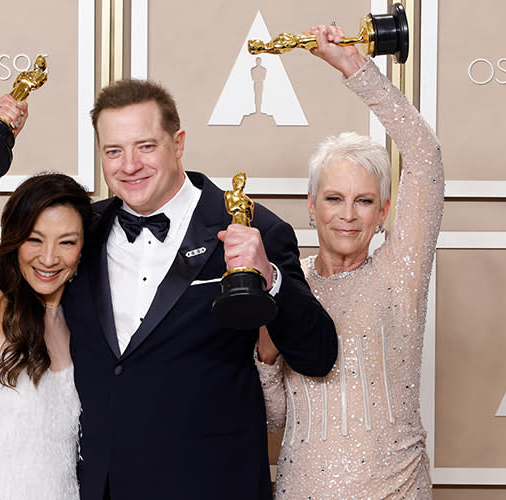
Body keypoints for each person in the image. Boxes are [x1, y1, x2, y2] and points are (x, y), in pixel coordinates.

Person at [60, 75, 339, 498]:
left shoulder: (251, 226)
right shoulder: (79, 229)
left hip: (211, 483)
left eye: (146, 146)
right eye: (113, 151)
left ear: (179, 143)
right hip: (101, 485)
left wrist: (271, 278)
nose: (129, 165)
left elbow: (318, 355)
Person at [255, 24, 443, 499]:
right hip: (303, 490)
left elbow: (426, 160)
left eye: (363, 201)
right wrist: (265, 356)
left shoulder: (398, 272)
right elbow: (273, 420)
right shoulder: (284, 285)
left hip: (396, 490)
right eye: (334, 198)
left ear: (382, 212)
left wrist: (355, 68)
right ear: (312, 204)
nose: (347, 215)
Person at [0, 94, 92, 499]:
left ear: (82, 249)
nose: (48, 258)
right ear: (14, 241)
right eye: (34, 239)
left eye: (66, 242)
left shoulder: (83, 319)